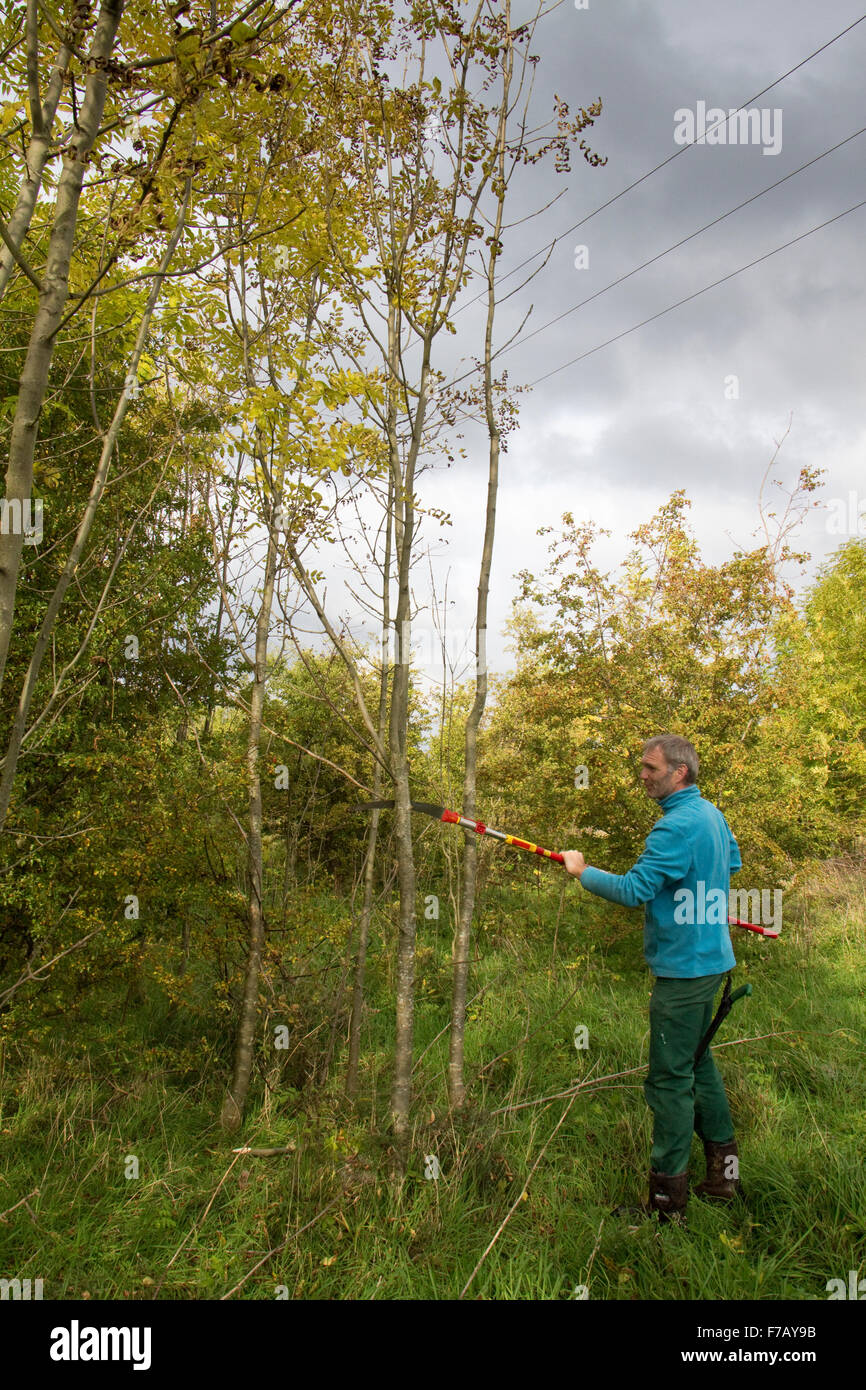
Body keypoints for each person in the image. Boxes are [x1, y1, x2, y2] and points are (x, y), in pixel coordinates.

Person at [560, 734, 742, 1224]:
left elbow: (634, 889)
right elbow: (730, 864)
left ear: (678, 772)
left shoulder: (675, 828)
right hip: (713, 962)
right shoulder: (712, 816)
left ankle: (667, 1206)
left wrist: (582, 871)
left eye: (650, 767)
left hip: (684, 973)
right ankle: (725, 1178)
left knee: (669, 1081)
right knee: (698, 1064)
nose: (642, 775)